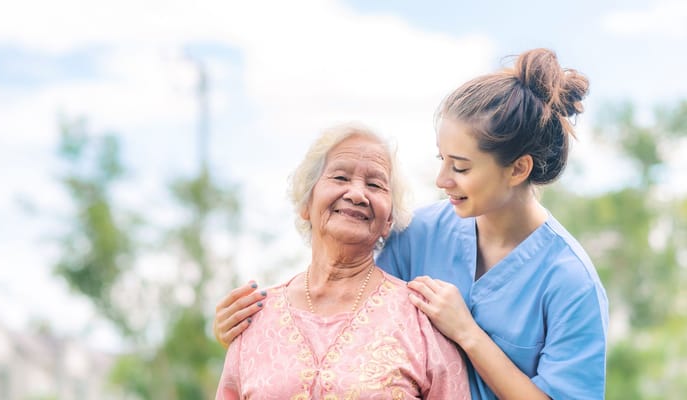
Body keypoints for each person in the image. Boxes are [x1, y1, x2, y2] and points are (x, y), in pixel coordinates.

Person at [214, 48, 609, 400]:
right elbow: (344, 310)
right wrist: (251, 332)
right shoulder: (417, 235)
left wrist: (469, 334)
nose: (442, 180)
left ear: (518, 169)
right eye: (442, 159)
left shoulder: (570, 282)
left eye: (461, 167)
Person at [215, 123, 470, 399]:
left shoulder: (423, 320)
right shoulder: (255, 318)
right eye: (340, 178)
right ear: (305, 203)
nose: (357, 194)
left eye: (375, 184)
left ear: (389, 221)